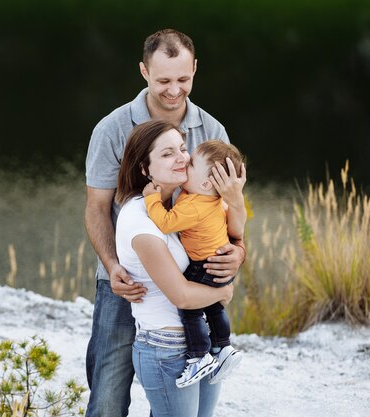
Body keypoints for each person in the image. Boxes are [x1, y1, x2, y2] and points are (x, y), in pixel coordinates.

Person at [85, 28, 246, 416]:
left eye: (183, 79)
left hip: (188, 275)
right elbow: (96, 208)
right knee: (108, 388)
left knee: (185, 386)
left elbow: (227, 209)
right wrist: (112, 266)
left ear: (195, 68)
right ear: (143, 71)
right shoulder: (112, 129)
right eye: (163, 81)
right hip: (127, 281)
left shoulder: (212, 132)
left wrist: (238, 253)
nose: (174, 90)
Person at [115, 120, 239, 417]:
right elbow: (182, 297)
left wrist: (237, 212)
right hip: (166, 351)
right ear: (145, 169)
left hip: (203, 346)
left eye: (183, 149)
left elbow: (230, 236)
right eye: (167, 154)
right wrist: (225, 289)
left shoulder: (187, 202)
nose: (183, 158)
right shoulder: (140, 221)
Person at [142, 140, 247, 388]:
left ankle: (198, 356)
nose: (184, 164)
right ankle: (223, 347)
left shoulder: (193, 206)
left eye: (190, 165)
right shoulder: (211, 200)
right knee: (214, 308)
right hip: (216, 263)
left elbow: (166, 223)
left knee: (191, 312)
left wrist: (152, 199)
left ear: (206, 184)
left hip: (204, 265)